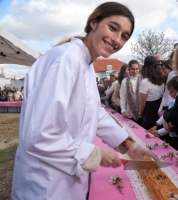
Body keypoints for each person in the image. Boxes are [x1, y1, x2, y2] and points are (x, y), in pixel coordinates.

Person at [11, 3, 158, 200]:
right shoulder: (66, 59)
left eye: (124, 36)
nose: (116, 40)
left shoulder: (86, 64)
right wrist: (94, 154)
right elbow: (39, 134)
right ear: (93, 23)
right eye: (113, 28)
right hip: (45, 185)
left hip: (67, 181)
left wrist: (131, 145)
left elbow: (94, 113)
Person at [147, 76, 178, 150]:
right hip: (170, 136)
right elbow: (165, 115)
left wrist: (158, 132)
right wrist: (156, 125)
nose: (170, 94)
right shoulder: (173, 102)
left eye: (172, 92)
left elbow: (172, 125)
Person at [139, 56, 164, 129]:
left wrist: (140, 113)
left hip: (149, 111)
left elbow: (142, 102)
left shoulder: (145, 82)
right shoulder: (162, 79)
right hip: (160, 109)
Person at [120, 59, 142, 124]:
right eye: (133, 69)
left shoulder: (143, 79)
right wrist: (123, 109)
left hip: (141, 111)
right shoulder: (124, 81)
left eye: (136, 69)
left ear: (139, 69)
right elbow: (123, 96)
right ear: (129, 69)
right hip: (130, 111)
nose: (135, 71)